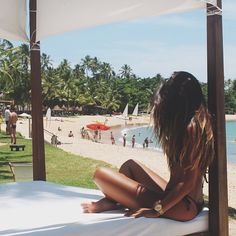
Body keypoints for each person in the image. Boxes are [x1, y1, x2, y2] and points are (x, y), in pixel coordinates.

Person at [81, 71, 214, 222]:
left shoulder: (191, 128)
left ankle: (112, 202)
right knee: (129, 166)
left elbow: (188, 182)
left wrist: (157, 209)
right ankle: (113, 202)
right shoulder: (192, 124)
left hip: (184, 206)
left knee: (100, 175)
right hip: (181, 200)